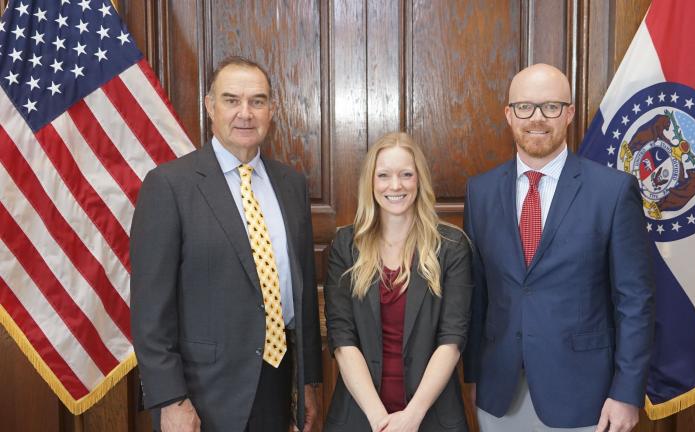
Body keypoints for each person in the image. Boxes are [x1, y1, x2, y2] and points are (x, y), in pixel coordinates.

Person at [130, 56, 322, 432]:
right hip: (202, 396)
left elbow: (302, 300)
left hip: (276, 385)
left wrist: (309, 383)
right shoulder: (169, 185)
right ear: (210, 106)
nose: (245, 113)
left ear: (272, 109)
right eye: (231, 100)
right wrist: (171, 399)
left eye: (257, 101)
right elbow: (150, 312)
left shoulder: (291, 185)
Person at [463, 64, 655, 432]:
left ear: (569, 114)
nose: (537, 118)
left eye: (551, 107)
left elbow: (635, 301)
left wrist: (627, 393)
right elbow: (478, 295)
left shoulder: (613, 191)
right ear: (508, 114)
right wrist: (473, 377)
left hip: (586, 396)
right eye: (524, 107)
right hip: (500, 393)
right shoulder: (480, 192)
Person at [323, 132, 472, 432]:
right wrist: (380, 421)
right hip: (360, 416)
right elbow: (342, 339)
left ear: (419, 180)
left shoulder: (451, 247)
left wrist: (411, 417)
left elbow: (452, 340)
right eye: (384, 175)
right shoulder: (345, 246)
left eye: (406, 174)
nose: (395, 185)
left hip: (432, 417)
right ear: (371, 182)